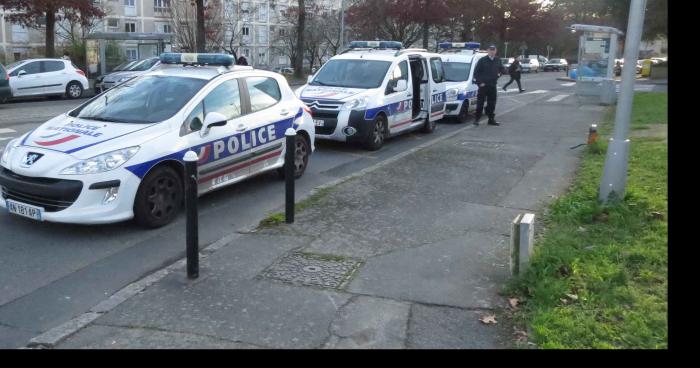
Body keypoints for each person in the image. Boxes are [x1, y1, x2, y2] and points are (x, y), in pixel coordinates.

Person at [472, 45, 503, 126]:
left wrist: (499, 75)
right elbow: (476, 73)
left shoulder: (498, 60)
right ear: (488, 51)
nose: (492, 52)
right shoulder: (482, 60)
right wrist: (480, 83)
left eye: (494, 50)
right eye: (490, 50)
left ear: (496, 51)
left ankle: (491, 119)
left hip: (492, 85)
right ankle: (477, 119)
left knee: (492, 104)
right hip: (483, 86)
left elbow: (502, 69)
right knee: (480, 104)